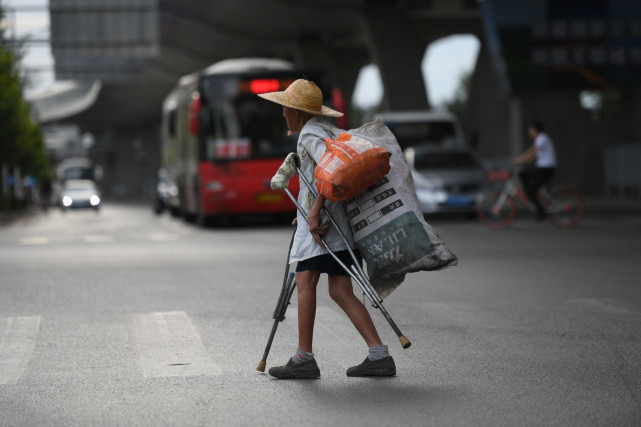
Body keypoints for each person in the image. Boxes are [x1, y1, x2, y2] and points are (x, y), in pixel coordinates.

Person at [258, 79, 395, 379]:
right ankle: (379, 354)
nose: (282, 112)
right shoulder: (325, 130)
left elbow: (331, 172)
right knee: (340, 290)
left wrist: (316, 211)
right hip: (334, 223)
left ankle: (304, 358)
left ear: (296, 111)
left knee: (305, 281)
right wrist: (306, 211)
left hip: (323, 227)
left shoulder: (309, 135)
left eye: (285, 107)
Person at [511, 120, 557, 221]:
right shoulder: (539, 139)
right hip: (542, 168)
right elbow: (531, 154)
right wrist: (520, 159)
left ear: (536, 130)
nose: (529, 132)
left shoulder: (542, 138)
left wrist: (518, 161)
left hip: (546, 169)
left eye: (531, 129)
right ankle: (532, 193)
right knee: (522, 174)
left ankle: (541, 212)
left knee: (531, 191)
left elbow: (532, 153)